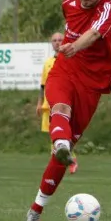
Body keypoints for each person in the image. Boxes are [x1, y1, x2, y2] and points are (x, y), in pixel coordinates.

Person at [25, 0, 111, 221]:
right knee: (60, 108)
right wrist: (70, 51)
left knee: (63, 151)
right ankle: (61, 144)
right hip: (64, 70)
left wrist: (74, 46)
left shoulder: (108, 10)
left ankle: (36, 209)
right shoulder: (68, 2)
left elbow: (94, 33)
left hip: (91, 84)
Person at [36, 32, 79, 174]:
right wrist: (39, 103)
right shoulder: (48, 63)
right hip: (49, 105)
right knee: (53, 136)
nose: (57, 42)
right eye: (54, 40)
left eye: (60, 39)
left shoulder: (71, 59)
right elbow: (43, 85)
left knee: (64, 134)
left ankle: (71, 159)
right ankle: (59, 161)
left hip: (64, 106)